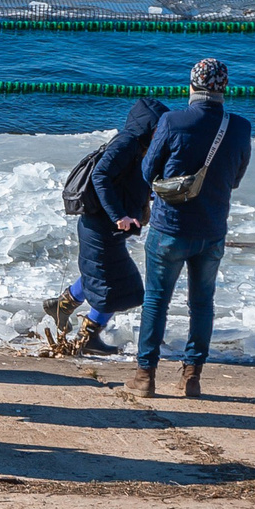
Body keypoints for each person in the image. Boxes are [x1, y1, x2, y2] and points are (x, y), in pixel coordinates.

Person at [135, 58, 253, 400]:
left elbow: (147, 172)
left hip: (169, 227)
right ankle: (192, 377)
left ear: (192, 85)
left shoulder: (173, 121)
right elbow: (236, 179)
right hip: (212, 228)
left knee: (156, 300)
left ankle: (145, 376)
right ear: (224, 88)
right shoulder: (240, 127)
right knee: (202, 303)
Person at [48, 98, 167, 356]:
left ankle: (63, 305)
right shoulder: (127, 143)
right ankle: (87, 336)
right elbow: (100, 176)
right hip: (99, 225)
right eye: (159, 127)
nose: (162, 133)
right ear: (149, 125)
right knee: (114, 285)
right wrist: (118, 215)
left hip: (104, 227)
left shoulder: (140, 147)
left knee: (106, 277)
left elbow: (127, 182)